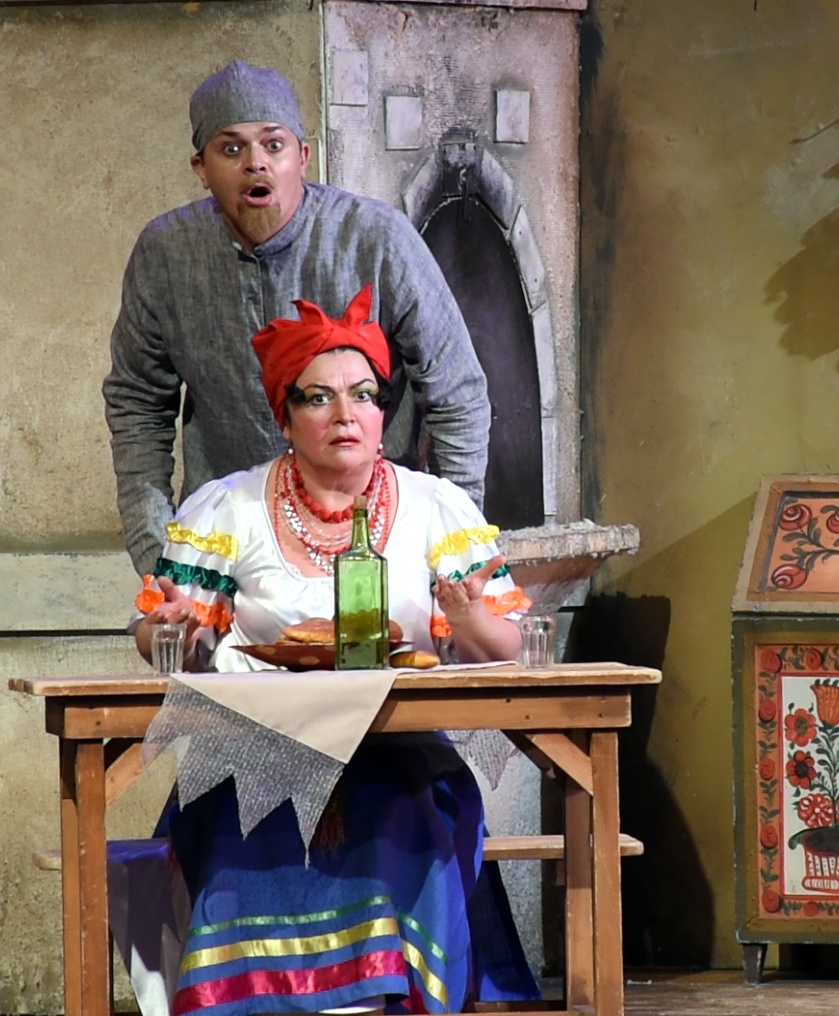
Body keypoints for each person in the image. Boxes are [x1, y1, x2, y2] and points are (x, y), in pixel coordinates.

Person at [130, 286, 538, 1016]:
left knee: (402, 817)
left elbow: (502, 645)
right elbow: (164, 636)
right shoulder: (230, 506)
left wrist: (467, 615)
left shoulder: (435, 507)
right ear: (285, 417)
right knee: (245, 823)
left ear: (383, 415)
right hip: (255, 749)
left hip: (400, 749)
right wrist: (172, 628)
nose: (345, 415)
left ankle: (384, 998)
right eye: (318, 398)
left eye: (363, 396)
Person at [104, 59, 491, 577]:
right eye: (232, 149)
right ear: (200, 168)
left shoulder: (377, 238)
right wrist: (160, 558)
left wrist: (452, 547)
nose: (256, 164)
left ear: (303, 157)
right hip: (228, 543)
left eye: (274, 145)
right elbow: (136, 404)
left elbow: (457, 393)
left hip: (374, 538)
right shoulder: (166, 255)